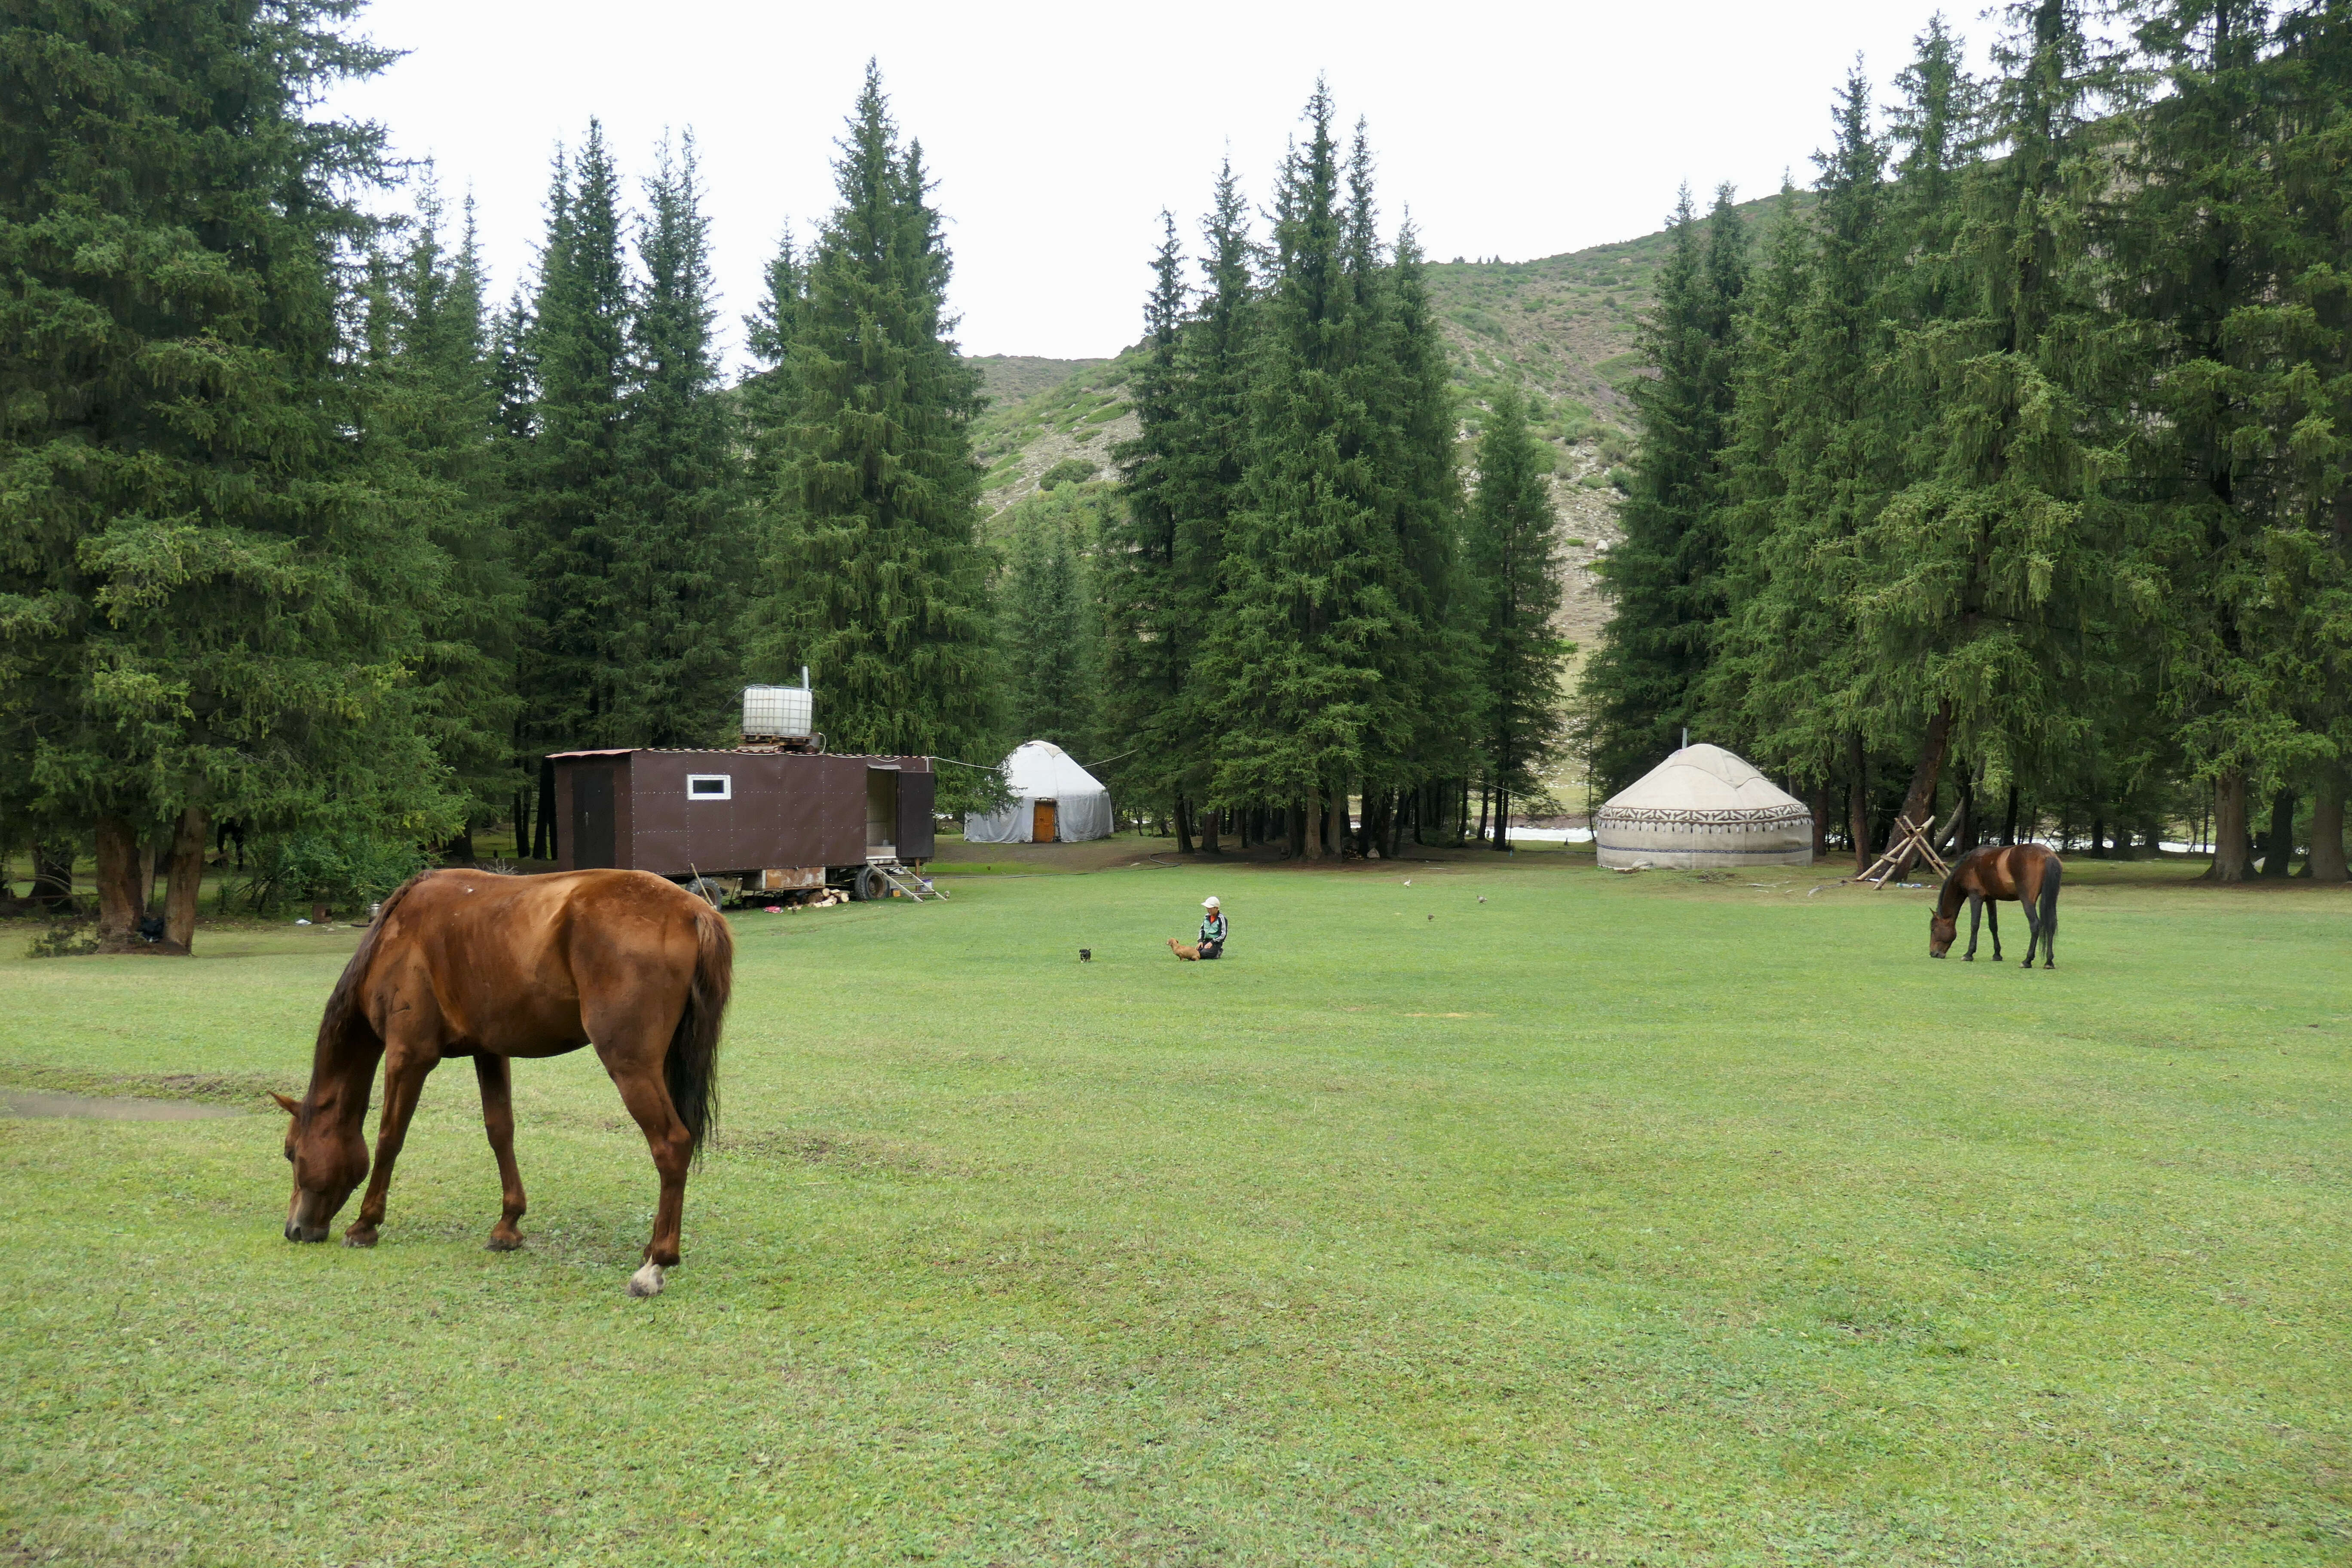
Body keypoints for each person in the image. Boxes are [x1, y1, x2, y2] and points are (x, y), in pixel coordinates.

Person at [1196, 895, 1226, 960]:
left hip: (1216, 943)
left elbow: (1223, 934)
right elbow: (1202, 930)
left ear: (1216, 908)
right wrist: (1200, 941)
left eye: (1210, 908)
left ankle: (1217, 952)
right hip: (1206, 941)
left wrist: (1212, 942)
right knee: (1196, 953)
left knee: (1203, 954)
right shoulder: (1206, 917)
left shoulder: (1221, 918)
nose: (1208, 910)